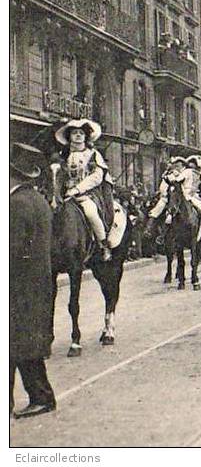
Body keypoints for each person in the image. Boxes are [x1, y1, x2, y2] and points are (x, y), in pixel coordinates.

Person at [10, 143, 57, 418]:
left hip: (19, 285)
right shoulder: (37, 200)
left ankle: (41, 398)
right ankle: (41, 397)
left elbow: (13, 249)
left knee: (18, 343)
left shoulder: (16, 205)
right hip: (36, 283)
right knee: (24, 345)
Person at [55, 118, 116, 261]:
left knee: (91, 213)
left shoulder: (93, 154)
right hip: (65, 195)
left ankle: (103, 245)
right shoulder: (63, 156)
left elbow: (97, 176)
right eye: (74, 133)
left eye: (81, 133)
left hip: (87, 195)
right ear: (69, 136)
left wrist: (77, 189)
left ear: (85, 136)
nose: (77, 135)